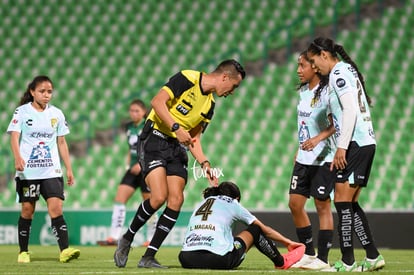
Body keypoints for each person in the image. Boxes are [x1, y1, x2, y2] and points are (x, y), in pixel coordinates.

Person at [114, 59, 246, 268]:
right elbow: (157, 102)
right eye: (234, 86)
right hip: (154, 138)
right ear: (224, 77)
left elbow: (194, 140)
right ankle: (127, 238)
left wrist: (205, 164)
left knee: (176, 199)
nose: (233, 91)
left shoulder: (210, 106)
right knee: (158, 197)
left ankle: (148, 256)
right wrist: (175, 126)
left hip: (177, 147)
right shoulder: (187, 78)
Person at [307, 37, 385, 272]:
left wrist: (342, 146)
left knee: (342, 202)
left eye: (313, 61)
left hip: (356, 144)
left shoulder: (339, 73)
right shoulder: (345, 70)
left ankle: (349, 260)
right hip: (362, 142)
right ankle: (372, 256)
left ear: (324, 54)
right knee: (348, 202)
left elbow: (350, 108)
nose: (313, 67)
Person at [6, 75, 80, 263]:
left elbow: (62, 142)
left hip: (51, 170)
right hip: (29, 171)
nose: (47, 95)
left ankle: (64, 251)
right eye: (42, 91)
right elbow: (14, 137)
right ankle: (23, 251)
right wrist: (17, 158)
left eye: (49, 92)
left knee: (56, 208)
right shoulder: (22, 112)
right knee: (27, 210)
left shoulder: (57, 114)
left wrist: (69, 169)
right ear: (32, 92)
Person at [179, 181, 306, 270]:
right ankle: (281, 262)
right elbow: (264, 230)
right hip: (219, 259)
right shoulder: (233, 203)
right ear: (237, 197)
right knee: (256, 230)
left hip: (186, 258)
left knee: (229, 239)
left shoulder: (203, 202)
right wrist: (287, 242)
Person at [288, 51, 337, 270]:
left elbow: (336, 124)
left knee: (322, 205)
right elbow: (304, 124)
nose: (298, 70)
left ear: (315, 67)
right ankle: (308, 253)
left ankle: (323, 260)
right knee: (295, 204)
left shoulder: (327, 92)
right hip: (304, 158)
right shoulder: (304, 93)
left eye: (302, 66)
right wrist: (299, 149)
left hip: (324, 158)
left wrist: (317, 139)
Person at [97, 99, 158, 247]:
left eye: (137, 111)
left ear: (144, 112)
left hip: (145, 169)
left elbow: (152, 149)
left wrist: (140, 164)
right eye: (131, 111)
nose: (133, 113)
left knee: (150, 203)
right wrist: (128, 163)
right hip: (132, 170)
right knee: (119, 199)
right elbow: (131, 149)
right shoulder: (129, 127)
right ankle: (114, 237)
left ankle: (151, 238)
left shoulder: (148, 126)